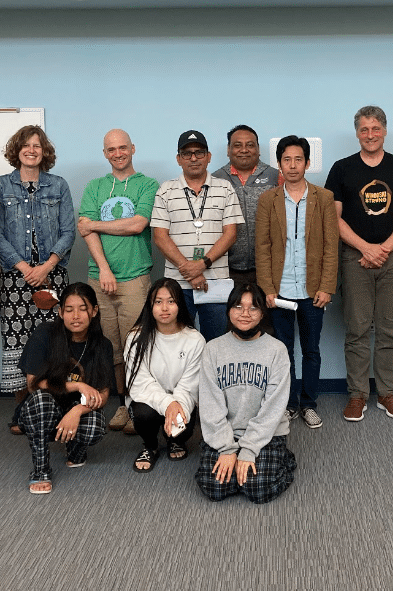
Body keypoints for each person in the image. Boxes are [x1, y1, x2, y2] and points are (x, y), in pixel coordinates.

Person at [325, 106, 393, 422]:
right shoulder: (342, 169)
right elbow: (332, 218)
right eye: (364, 129)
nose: (370, 135)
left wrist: (385, 249)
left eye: (375, 128)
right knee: (357, 330)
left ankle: (387, 393)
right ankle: (357, 396)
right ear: (357, 133)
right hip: (355, 259)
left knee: (391, 330)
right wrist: (366, 248)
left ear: (384, 130)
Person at [0, 125, 75, 435]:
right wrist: (25, 268)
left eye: (37, 145)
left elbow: (68, 232)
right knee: (18, 343)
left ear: (44, 151)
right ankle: (23, 410)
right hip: (16, 279)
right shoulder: (1, 186)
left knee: (55, 341)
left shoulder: (58, 185)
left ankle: (53, 406)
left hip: (53, 276)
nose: (31, 150)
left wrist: (47, 266)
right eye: (26, 145)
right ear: (17, 150)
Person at [77, 128, 159, 433]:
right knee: (111, 349)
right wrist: (105, 269)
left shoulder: (148, 185)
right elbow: (86, 233)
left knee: (137, 345)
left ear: (133, 149)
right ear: (105, 153)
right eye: (111, 149)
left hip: (136, 278)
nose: (118, 153)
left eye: (122, 148)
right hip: (100, 279)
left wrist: (95, 224)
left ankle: (142, 406)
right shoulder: (95, 187)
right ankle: (124, 406)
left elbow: (138, 224)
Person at [255, 135, 338, 429]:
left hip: (312, 290)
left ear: (307, 162)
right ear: (279, 164)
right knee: (283, 351)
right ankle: (288, 403)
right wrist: (267, 288)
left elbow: (331, 245)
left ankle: (309, 403)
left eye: (298, 159)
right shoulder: (268, 199)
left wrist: (327, 286)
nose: (292, 165)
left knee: (311, 350)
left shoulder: (323, 198)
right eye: (286, 160)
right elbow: (262, 247)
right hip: (279, 291)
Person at [195, 283, 297, 504]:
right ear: (229, 310)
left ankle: (284, 459)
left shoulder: (277, 350)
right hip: (226, 432)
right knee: (215, 487)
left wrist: (249, 450)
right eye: (238, 306)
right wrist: (227, 448)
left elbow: (273, 408)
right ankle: (237, 460)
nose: (245, 314)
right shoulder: (213, 349)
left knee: (258, 490)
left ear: (262, 313)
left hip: (266, 433)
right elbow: (210, 405)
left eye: (253, 308)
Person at [17, 282, 115, 494]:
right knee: (41, 401)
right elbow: (33, 384)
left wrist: (77, 411)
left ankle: (76, 449)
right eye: (69, 310)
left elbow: (104, 395)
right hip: (43, 410)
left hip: (75, 410)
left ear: (94, 311)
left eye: (82, 309)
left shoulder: (102, 345)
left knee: (95, 425)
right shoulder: (45, 334)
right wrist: (78, 385)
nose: (76, 316)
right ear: (60, 312)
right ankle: (41, 470)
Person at [151, 130, 244, 343]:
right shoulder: (165, 190)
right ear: (178, 159)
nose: (193, 158)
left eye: (199, 153)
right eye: (187, 153)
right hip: (177, 285)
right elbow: (159, 236)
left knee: (217, 343)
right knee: (178, 343)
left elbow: (230, 234)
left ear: (209, 156)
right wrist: (190, 271)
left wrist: (202, 265)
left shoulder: (225, 188)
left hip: (216, 283)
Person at [124, 278, 205, 473]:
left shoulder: (195, 340)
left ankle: (175, 441)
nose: (164, 308)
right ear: (150, 306)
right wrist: (168, 404)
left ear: (180, 304)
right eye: (158, 302)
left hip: (181, 399)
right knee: (143, 414)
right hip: (149, 401)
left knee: (181, 428)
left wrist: (176, 405)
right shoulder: (135, 338)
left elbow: (190, 386)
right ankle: (150, 445)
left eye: (171, 301)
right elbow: (140, 383)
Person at [212, 125, 281, 288]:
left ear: (258, 149)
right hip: (227, 269)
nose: (244, 150)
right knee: (234, 313)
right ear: (228, 150)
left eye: (250, 145)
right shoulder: (216, 179)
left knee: (265, 312)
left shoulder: (276, 177)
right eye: (237, 145)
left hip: (268, 268)